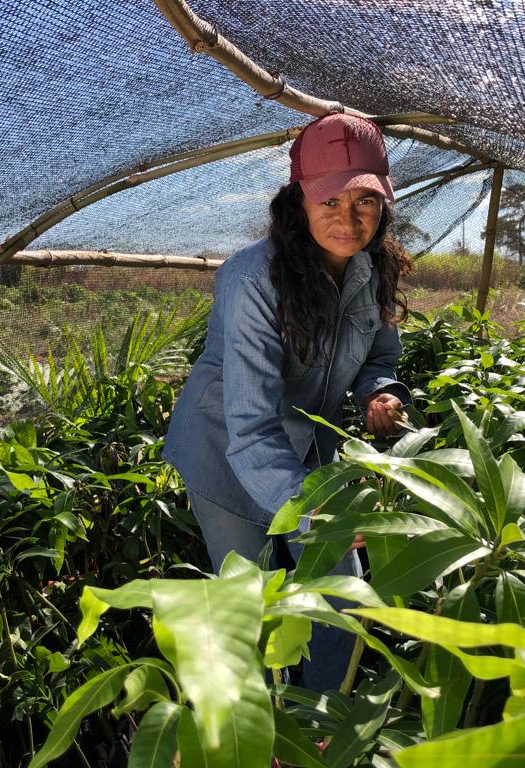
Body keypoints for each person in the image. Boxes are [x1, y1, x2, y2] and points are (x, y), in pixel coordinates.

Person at [163, 113, 411, 691]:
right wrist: (309, 510)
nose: (348, 221)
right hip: (225, 452)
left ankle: (314, 728)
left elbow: (379, 358)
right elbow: (249, 426)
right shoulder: (253, 280)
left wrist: (380, 394)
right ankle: (245, 728)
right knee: (246, 606)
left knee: (343, 603)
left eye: (365, 203)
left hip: (308, 446)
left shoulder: (373, 271)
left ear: (384, 205)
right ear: (298, 201)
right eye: (330, 203)